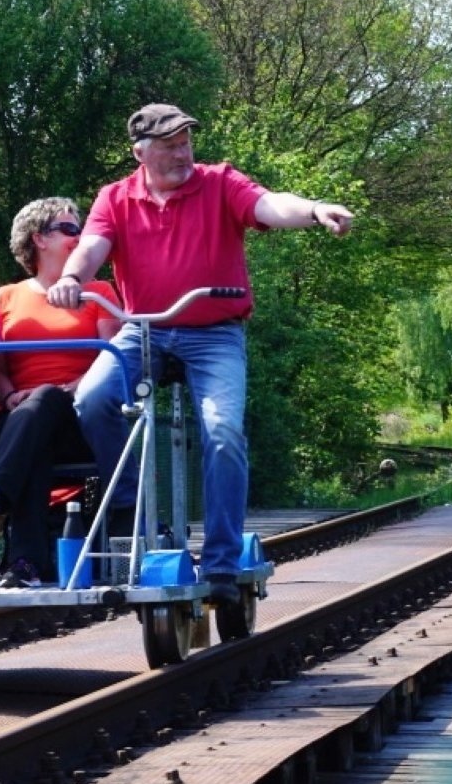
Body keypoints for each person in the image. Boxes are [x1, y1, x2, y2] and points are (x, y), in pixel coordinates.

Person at [47, 103, 353, 622]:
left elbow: (268, 205)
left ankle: (221, 565)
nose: (182, 152)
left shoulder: (219, 183)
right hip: (144, 328)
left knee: (222, 432)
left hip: (213, 332)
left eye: (186, 140)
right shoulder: (116, 198)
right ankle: (124, 501)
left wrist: (315, 209)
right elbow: (92, 247)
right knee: (93, 397)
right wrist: (73, 278)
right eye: (169, 144)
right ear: (140, 152)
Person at [0, 198, 121, 587]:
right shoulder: (6, 296)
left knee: (44, 401)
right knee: (33, 436)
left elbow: (113, 360)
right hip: (18, 419)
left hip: (78, 418)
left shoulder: (97, 292)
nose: (81, 238)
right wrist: (9, 397)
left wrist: (69, 388)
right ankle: (25, 566)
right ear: (39, 239)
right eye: (70, 229)